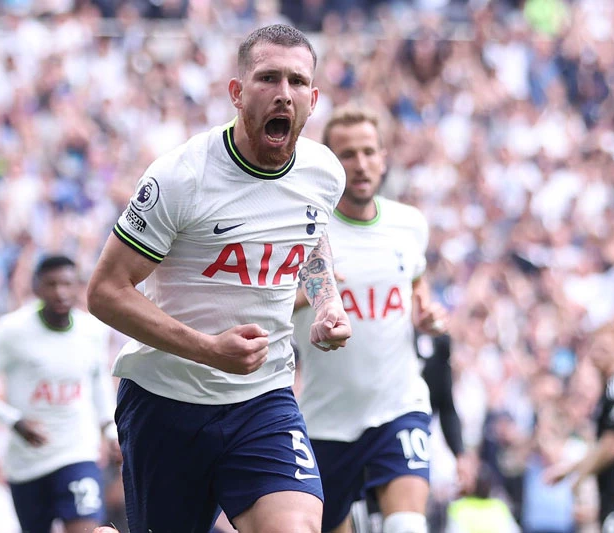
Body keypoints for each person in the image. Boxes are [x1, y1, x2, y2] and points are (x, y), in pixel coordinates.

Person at [86, 23, 351, 533]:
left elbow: (311, 236)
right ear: (236, 92)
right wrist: (209, 350)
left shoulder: (324, 173)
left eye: (297, 82)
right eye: (267, 78)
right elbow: (105, 292)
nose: (283, 93)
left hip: (264, 399)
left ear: (314, 99)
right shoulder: (180, 177)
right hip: (167, 401)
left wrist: (326, 303)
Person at [292, 106, 448, 533]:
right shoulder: (309, 233)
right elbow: (267, 308)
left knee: (406, 527)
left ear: (383, 157)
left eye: (367, 152)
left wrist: (427, 313)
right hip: (327, 421)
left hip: (398, 407)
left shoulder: (408, 224)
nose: (359, 165)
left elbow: (417, 284)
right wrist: (307, 300)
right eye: (346, 154)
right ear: (330, 162)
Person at [0, 255, 120, 533]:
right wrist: (13, 420)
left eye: (67, 284)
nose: (60, 292)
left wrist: (108, 428)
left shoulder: (92, 330)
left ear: (77, 287)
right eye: (51, 284)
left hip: (77, 453)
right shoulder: (12, 330)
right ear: (36, 287)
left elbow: (98, 382)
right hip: (28, 463)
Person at [545, 322, 614, 533]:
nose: (598, 354)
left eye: (606, 349)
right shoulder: (608, 392)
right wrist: (569, 469)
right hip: (612, 494)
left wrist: (579, 475)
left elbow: (612, 447)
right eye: (596, 346)